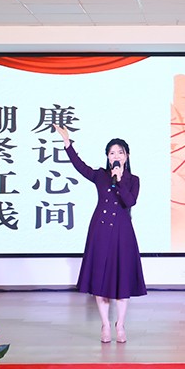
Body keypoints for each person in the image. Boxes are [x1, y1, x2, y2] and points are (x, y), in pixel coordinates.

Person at [56, 126, 147, 343]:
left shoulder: (133, 180)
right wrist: (68, 144)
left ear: (127, 156)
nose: (116, 156)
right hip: (100, 230)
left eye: (120, 152)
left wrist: (119, 180)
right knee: (101, 279)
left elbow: (130, 201)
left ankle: (120, 324)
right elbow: (80, 166)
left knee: (122, 280)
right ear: (107, 156)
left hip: (123, 233)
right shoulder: (100, 175)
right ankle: (105, 324)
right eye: (112, 153)